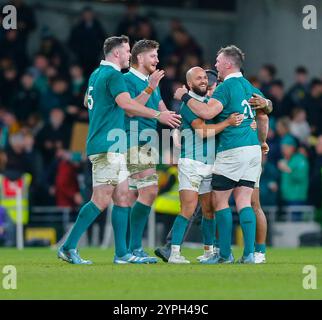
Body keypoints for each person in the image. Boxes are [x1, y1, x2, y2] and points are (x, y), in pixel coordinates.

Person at [58, 35, 181, 265]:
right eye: (126, 51)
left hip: (112, 144)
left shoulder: (96, 74)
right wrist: (156, 113)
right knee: (101, 199)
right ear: (117, 53)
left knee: (123, 196)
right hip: (108, 143)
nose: (128, 55)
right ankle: (68, 246)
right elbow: (128, 107)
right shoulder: (115, 75)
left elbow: (87, 101)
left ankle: (122, 253)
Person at [174, 45, 268, 264]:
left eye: (217, 62)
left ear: (227, 63)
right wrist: (262, 142)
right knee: (245, 200)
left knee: (220, 201)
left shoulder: (226, 88)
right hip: (253, 150)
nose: (215, 65)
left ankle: (224, 254)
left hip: (232, 149)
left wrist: (184, 98)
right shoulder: (250, 87)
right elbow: (263, 117)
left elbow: (207, 112)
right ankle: (250, 255)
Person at [167, 67, 243, 264]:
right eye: (198, 78)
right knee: (188, 208)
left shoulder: (210, 104)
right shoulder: (188, 106)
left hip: (211, 164)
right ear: (190, 84)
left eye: (204, 78)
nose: (203, 81)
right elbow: (202, 132)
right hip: (191, 163)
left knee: (209, 210)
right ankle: (174, 252)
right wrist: (227, 122)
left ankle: (208, 251)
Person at [123, 40, 169, 263]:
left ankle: (127, 250)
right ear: (140, 58)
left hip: (148, 142)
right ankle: (134, 248)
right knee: (149, 191)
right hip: (133, 139)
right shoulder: (126, 79)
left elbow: (162, 109)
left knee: (134, 195)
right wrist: (150, 86)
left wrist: (179, 122)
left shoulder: (152, 83)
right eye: (153, 56)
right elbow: (131, 110)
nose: (157, 60)